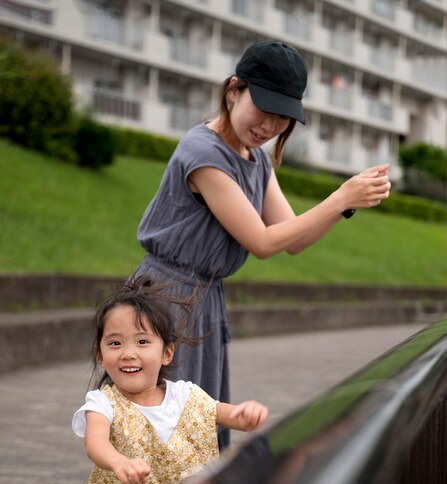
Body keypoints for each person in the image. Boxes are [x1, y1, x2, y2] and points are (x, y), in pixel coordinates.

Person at [132, 40, 391, 449]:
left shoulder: (257, 159)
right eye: (263, 110)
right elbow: (264, 242)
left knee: (194, 436)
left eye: (282, 118)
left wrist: (345, 206)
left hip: (203, 302)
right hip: (165, 300)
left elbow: (293, 239)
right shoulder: (203, 152)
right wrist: (339, 198)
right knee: (162, 435)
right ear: (233, 89)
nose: (269, 126)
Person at [72, 276, 268, 484]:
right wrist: (118, 462)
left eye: (142, 342)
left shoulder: (186, 396)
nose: (128, 353)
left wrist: (247, 413)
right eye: (115, 344)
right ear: (100, 355)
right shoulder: (102, 403)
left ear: (167, 352)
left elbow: (231, 416)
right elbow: (96, 442)